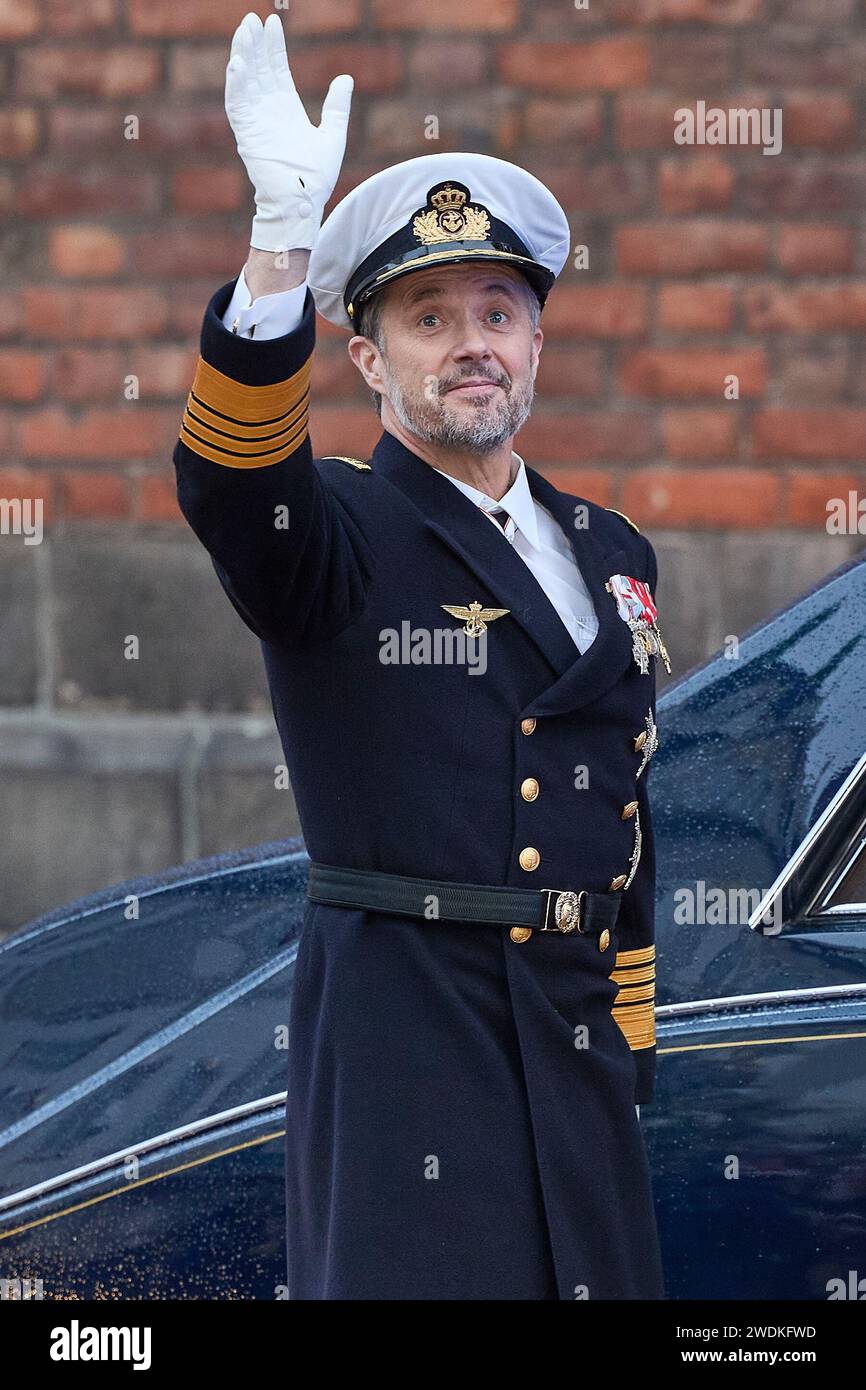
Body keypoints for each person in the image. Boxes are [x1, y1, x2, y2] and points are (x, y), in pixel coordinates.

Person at [174, 9, 667, 1300]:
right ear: (367, 356)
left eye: (498, 310)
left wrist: (626, 1044)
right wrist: (280, 245)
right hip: (410, 1071)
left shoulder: (610, 548)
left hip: (572, 1071)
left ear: (538, 343)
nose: (471, 341)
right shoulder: (336, 534)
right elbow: (234, 486)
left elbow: (623, 820)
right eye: (428, 315)